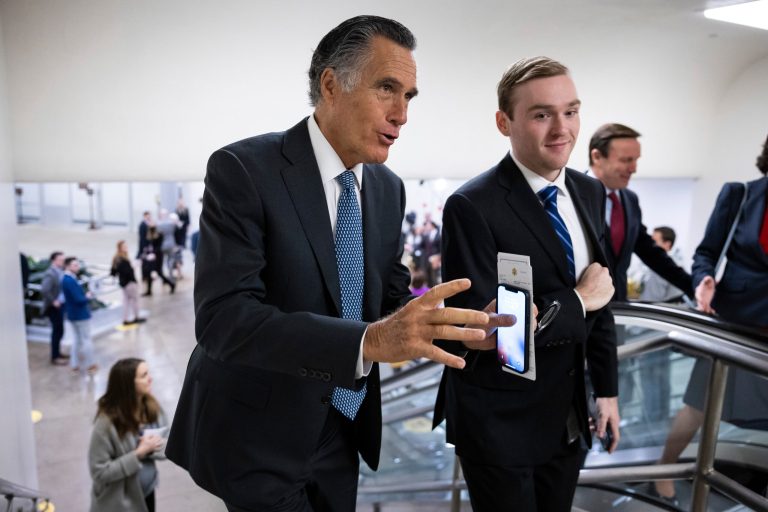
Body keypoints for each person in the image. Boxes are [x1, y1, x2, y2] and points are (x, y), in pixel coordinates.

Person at [166, 16, 501, 512]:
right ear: (331, 84)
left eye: (409, 96)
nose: (402, 114)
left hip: (344, 428)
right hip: (259, 436)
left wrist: (461, 326)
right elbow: (223, 319)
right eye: (387, 88)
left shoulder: (388, 189)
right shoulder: (243, 170)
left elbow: (388, 297)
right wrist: (366, 342)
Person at [432, 56, 619, 511]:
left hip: (568, 417)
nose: (563, 129)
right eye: (541, 114)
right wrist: (576, 300)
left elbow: (604, 297)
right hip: (500, 422)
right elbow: (488, 333)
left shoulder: (589, 191)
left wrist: (608, 392)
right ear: (504, 122)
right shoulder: (473, 206)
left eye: (571, 111)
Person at [654, 134, 768, 502]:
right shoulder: (742, 195)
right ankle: (663, 467)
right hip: (735, 324)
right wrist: (703, 280)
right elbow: (706, 253)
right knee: (699, 403)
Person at [587, 123, 693, 301]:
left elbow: (650, 252)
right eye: (626, 160)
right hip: (581, 313)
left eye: (636, 160)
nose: (634, 168)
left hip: (619, 310)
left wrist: (693, 286)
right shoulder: (568, 196)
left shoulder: (630, 200)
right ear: (597, 156)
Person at [88, 358, 167, 512]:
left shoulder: (151, 406)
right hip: (119, 505)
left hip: (147, 492)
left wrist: (151, 447)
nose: (150, 378)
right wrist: (138, 453)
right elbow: (99, 472)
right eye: (144, 376)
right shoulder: (105, 424)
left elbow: (170, 443)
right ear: (129, 384)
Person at [60, 256, 97, 374]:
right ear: (68, 266)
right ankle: (90, 364)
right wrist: (87, 296)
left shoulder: (67, 279)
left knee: (76, 339)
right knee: (86, 339)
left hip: (73, 314)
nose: (78, 267)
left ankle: (75, 364)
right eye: (75, 265)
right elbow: (79, 299)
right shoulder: (69, 280)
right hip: (80, 314)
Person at [636, 226, 686, 302]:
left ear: (667, 244)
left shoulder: (659, 268)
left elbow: (650, 301)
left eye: (654, 242)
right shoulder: (677, 264)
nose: (650, 245)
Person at [40, 251, 69, 365]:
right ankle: (55, 356)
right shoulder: (50, 274)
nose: (62, 262)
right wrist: (53, 301)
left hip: (60, 305)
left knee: (60, 330)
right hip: (53, 307)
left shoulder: (60, 272)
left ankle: (58, 352)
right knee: (57, 331)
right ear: (54, 260)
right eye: (60, 260)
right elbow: (45, 289)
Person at [111, 240, 145, 325]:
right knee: (135, 300)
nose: (126, 248)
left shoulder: (116, 258)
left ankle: (125, 319)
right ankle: (136, 317)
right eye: (124, 247)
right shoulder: (122, 259)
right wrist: (134, 266)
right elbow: (127, 271)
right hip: (129, 283)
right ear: (120, 248)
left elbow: (113, 272)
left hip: (123, 283)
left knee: (126, 301)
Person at [140, 225, 175, 296]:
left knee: (159, 273)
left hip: (158, 257)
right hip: (152, 256)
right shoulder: (150, 235)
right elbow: (149, 245)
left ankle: (171, 284)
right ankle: (149, 291)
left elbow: (158, 247)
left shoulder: (159, 235)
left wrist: (153, 253)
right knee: (149, 272)